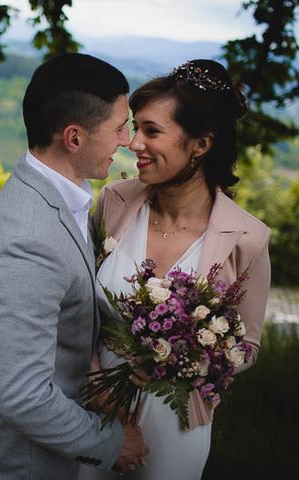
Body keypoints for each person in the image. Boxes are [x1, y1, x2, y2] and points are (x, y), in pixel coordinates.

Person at [0, 53, 149, 480]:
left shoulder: (57, 192)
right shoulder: (28, 242)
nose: (127, 139)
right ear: (74, 138)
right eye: (119, 126)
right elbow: (24, 397)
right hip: (21, 465)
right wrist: (111, 443)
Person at [79, 59, 271, 480]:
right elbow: (76, 306)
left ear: (200, 144)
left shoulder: (247, 238)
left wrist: (188, 356)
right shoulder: (113, 203)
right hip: (94, 409)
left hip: (176, 416)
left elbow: (248, 346)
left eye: (152, 130)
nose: (133, 143)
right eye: (133, 127)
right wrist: (95, 386)